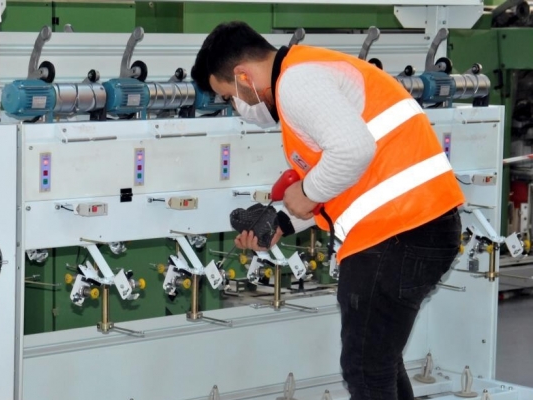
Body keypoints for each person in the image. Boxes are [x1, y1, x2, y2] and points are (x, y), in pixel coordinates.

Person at [191, 21, 464, 400]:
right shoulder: (306, 72)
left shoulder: (297, 83)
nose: (237, 107)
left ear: (242, 76)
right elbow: (343, 177)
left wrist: (306, 190)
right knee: (378, 361)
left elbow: (353, 151)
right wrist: (281, 222)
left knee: (366, 369)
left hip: (397, 233)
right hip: (417, 226)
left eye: (229, 96)